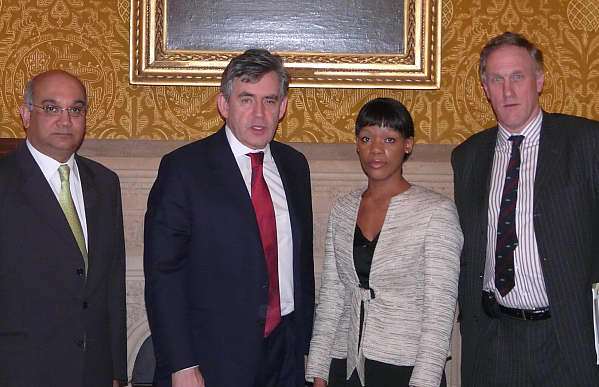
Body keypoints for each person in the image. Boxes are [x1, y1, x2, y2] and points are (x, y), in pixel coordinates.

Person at [144, 49, 315, 387]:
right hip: (211, 358)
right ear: (224, 105)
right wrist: (181, 364)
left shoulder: (295, 166)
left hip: (285, 354)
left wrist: (306, 347)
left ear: (282, 108)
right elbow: (164, 275)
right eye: (246, 99)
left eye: (269, 101)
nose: (259, 114)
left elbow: (300, 263)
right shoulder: (183, 169)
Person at [452, 31, 599, 386]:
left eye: (518, 76)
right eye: (496, 79)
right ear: (485, 88)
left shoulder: (585, 143)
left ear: (539, 80)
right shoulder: (468, 156)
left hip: (565, 337)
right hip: (492, 339)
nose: (507, 90)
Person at [306, 97, 462, 387]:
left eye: (389, 139)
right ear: (357, 144)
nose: (376, 149)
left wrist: (425, 380)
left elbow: (439, 310)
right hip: (346, 360)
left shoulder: (435, 212)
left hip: (406, 365)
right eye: (367, 138)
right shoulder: (343, 210)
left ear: (407, 145)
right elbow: (331, 298)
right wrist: (318, 369)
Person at [0, 70, 127, 387]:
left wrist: (115, 369)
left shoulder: (105, 183)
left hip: (92, 370)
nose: (65, 119)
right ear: (27, 114)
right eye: (52, 107)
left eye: (76, 109)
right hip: (19, 369)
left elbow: (112, 281)